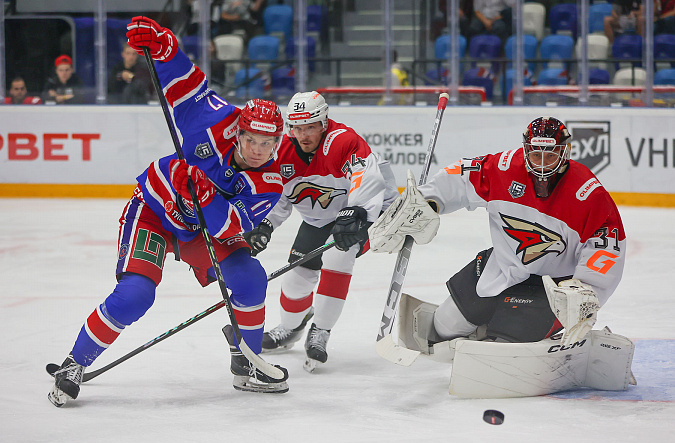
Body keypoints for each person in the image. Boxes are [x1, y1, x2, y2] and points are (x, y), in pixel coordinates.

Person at [48, 16, 288, 407]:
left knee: (250, 278)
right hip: (156, 213)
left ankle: (249, 362)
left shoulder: (270, 182)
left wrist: (206, 194)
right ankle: (73, 362)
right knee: (135, 295)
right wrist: (163, 47)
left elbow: (228, 224)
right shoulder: (215, 121)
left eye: (268, 143)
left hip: (202, 229)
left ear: (277, 142)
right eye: (251, 139)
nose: (258, 149)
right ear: (238, 131)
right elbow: (187, 85)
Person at [369, 117, 625, 352]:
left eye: (551, 155)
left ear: (565, 152)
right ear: (526, 151)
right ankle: (485, 327)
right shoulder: (503, 169)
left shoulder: (588, 194)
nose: (544, 164)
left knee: (504, 345)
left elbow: (607, 243)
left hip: (554, 287)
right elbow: (461, 176)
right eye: (536, 155)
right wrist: (428, 202)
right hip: (502, 267)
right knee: (444, 326)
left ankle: (504, 331)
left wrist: (584, 290)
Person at [243, 91, 398, 372]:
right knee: (295, 281)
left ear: (324, 122)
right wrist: (264, 225)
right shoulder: (282, 152)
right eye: (297, 128)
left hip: (360, 214)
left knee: (338, 257)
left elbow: (368, 175)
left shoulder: (343, 141)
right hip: (317, 220)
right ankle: (291, 328)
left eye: (310, 127)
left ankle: (321, 331)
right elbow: (278, 196)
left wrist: (358, 210)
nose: (303, 135)